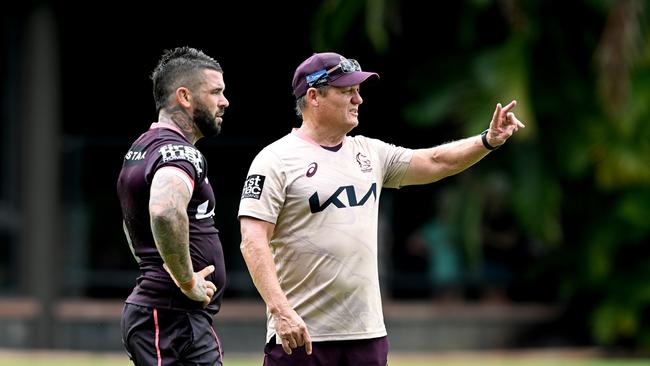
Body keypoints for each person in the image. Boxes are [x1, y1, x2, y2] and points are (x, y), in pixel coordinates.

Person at [237, 51, 524, 366]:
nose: (358, 99)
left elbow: (435, 161)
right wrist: (281, 311)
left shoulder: (370, 153)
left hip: (367, 335)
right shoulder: (275, 160)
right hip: (301, 335)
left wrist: (488, 140)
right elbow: (253, 240)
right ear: (314, 96)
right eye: (347, 91)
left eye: (358, 91)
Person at [117, 46, 229, 366]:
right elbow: (165, 210)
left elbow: (131, 224)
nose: (224, 101)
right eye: (216, 92)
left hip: (173, 318)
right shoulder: (179, 153)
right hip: (170, 318)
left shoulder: (142, 148)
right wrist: (187, 281)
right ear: (184, 96)